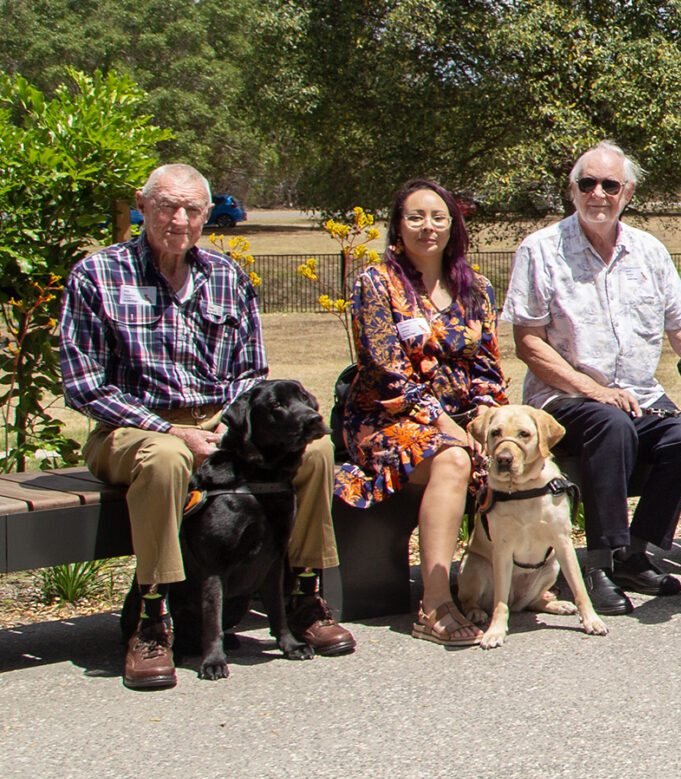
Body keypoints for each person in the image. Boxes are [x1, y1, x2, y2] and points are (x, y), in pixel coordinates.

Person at [63, 162, 353, 691]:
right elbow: (85, 385)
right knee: (169, 458)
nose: (179, 218)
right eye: (167, 206)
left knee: (315, 453)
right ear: (141, 205)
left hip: (220, 424)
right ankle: (153, 622)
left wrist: (227, 429)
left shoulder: (226, 276)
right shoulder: (98, 275)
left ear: (204, 215)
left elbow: (250, 372)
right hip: (130, 430)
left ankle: (304, 595)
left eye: (192, 209)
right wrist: (171, 431)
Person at [506, 141, 681, 615]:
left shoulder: (649, 252)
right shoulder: (541, 250)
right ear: (571, 191)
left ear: (627, 192)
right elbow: (528, 342)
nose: (598, 193)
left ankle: (636, 553)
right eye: (586, 183)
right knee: (609, 424)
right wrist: (593, 389)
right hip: (565, 399)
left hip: (640, 398)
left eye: (609, 184)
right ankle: (598, 564)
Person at [334, 178, 510, 646]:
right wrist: (450, 427)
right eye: (415, 217)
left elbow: (487, 367)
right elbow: (385, 370)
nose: (427, 227)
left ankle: (514, 587)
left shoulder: (477, 288)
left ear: (453, 226)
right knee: (453, 457)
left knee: (513, 448)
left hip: (460, 421)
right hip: (385, 418)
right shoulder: (376, 283)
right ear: (397, 227)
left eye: (437, 217)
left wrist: (488, 421)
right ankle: (434, 605)